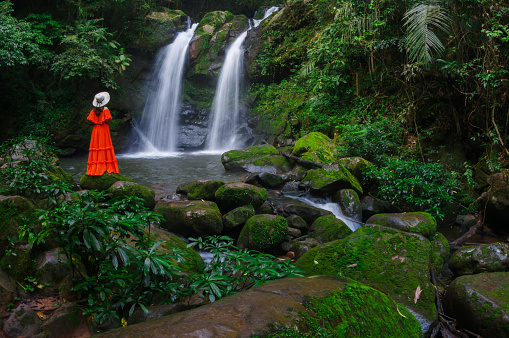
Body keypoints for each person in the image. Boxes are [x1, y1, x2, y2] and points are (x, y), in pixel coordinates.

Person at [86, 92, 119, 175]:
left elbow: (91, 120)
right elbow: (107, 121)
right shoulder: (106, 109)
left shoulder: (93, 110)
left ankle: (95, 167)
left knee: (96, 146)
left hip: (96, 130)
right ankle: (104, 165)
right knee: (104, 145)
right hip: (104, 129)